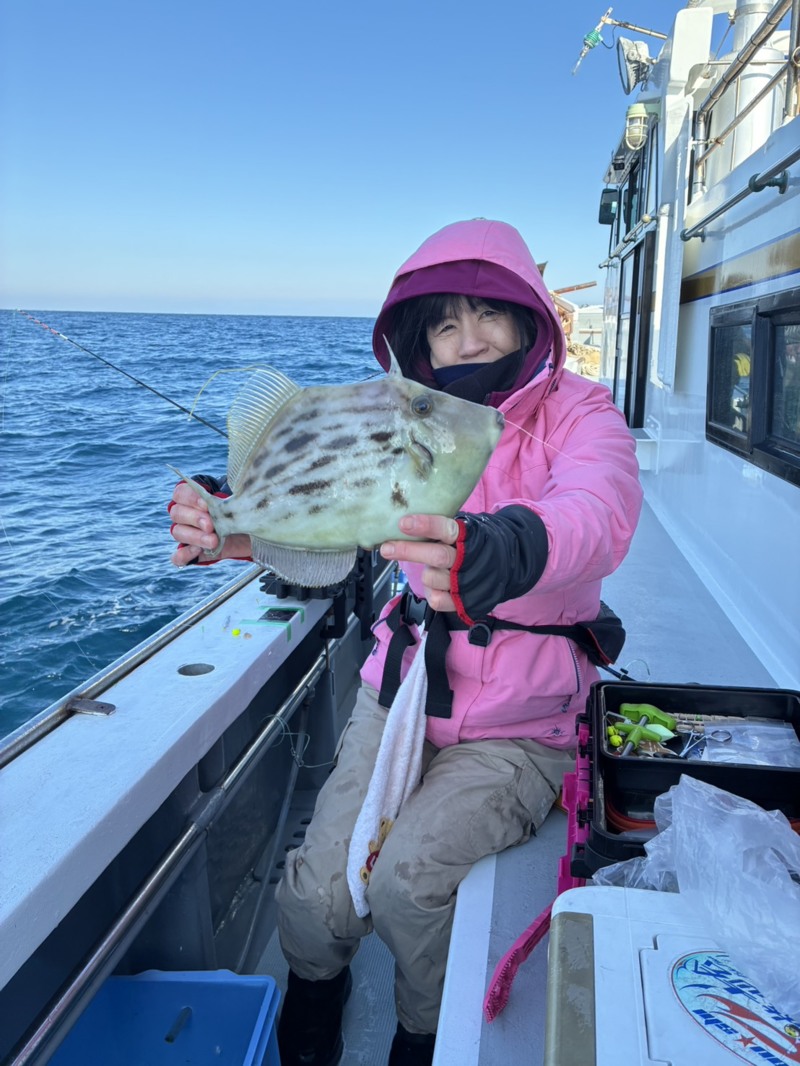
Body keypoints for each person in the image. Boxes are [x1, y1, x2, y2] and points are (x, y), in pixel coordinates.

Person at [168, 219, 643, 1066]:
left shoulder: (580, 413)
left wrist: (509, 546)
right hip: (400, 693)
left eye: (490, 315)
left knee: (406, 885)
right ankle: (313, 1007)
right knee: (316, 897)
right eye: (445, 323)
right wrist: (227, 527)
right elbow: (339, 527)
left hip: (519, 724)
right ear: (417, 337)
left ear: (532, 318)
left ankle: (420, 1036)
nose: (470, 341)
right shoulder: (400, 414)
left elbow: (598, 512)